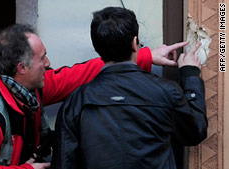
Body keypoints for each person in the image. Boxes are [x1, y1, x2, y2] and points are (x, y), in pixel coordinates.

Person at [0, 22, 189, 168]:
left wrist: (142, 56)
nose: (49, 63)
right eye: (42, 59)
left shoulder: (26, 87)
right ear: (22, 68)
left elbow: (78, 76)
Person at [50, 7, 207, 169]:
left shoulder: (76, 102)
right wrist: (190, 75)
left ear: (97, 48)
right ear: (134, 42)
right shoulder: (167, 91)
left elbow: (63, 163)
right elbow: (195, 132)